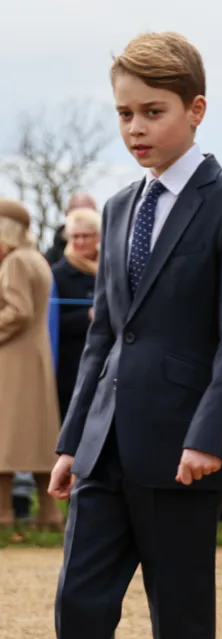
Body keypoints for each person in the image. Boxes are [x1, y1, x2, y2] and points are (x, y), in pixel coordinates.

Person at [48, 32, 222, 639]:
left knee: (179, 625)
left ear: (196, 109)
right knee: (79, 609)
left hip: (184, 455)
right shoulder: (115, 209)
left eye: (152, 111)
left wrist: (210, 436)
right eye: (124, 114)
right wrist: (70, 442)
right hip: (104, 450)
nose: (136, 128)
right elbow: (105, 335)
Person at [0, 199, 62, 529]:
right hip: (35, 356)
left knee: (6, 439)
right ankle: (50, 515)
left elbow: (18, 310)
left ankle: (4, 514)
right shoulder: (35, 258)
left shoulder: (14, 263)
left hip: (12, 358)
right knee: (38, 438)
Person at [51, 208, 101, 420]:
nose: (80, 241)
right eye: (75, 236)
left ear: (98, 237)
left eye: (86, 236)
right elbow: (52, 323)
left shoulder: (110, 268)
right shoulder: (57, 274)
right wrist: (87, 316)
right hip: (71, 365)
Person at [44, 192, 98, 265]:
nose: (81, 241)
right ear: (67, 214)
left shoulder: (109, 253)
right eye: (79, 216)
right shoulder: (52, 259)